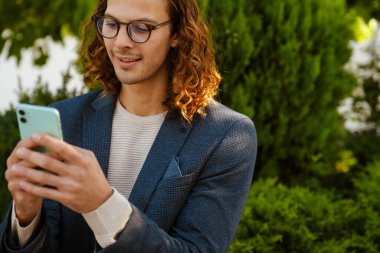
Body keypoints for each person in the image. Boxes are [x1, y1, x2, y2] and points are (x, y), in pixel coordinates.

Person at [0, 0, 257, 252]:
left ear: (178, 33)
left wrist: (102, 205)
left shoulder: (226, 135)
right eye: (112, 24)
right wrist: (25, 214)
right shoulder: (66, 118)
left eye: (141, 28)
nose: (121, 42)